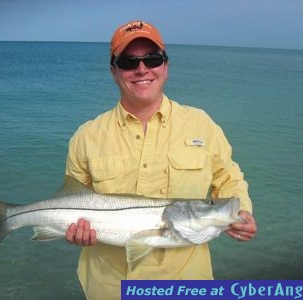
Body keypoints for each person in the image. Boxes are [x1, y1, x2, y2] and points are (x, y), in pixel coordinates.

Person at [65, 20, 257, 299]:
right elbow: (73, 199)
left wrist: (243, 212)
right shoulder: (86, 136)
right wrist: (73, 231)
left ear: (165, 67)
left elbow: (229, 177)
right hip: (109, 286)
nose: (142, 69)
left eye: (152, 59)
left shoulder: (201, 124)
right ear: (113, 71)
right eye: (129, 62)